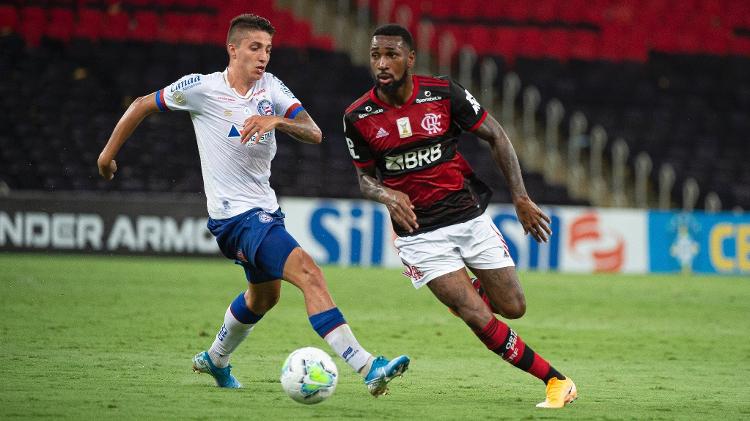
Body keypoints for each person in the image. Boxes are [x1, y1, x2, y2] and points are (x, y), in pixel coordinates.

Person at [97, 14, 409, 396]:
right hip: (235, 217)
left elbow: (314, 132)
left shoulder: (271, 87)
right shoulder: (202, 88)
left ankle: (215, 358)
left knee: (265, 296)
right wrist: (106, 156)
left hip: (263, 211)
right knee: (309, 273)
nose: (263, 57)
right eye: (255, 48)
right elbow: (143, 104)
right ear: (233, 49)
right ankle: (366, 365)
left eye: (269, 50)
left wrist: (275, 119)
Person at [342, 24, 576, 408]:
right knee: (475, 316)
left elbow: (497, 135)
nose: (382, 63)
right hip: (419, 236)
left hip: (468, 217)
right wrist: (387, 194)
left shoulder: (442, 93)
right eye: (375, 55)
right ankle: (556, 381)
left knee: (514, 307)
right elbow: (365, 180)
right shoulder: (358, 115)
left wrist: (520, 197)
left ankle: (470, 292)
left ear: (410, 58)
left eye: (391, 54)